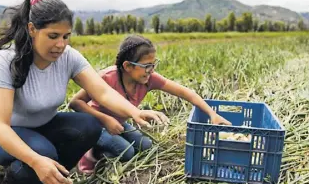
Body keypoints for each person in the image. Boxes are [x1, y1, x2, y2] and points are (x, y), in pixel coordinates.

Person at [0, 0, 168, 184]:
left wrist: (134, 113)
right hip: (1, 133)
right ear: (32, 29)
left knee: (90, 126)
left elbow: (102, 92)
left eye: (66, 36)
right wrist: (35, 160)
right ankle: (19, 183)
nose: (60, 44)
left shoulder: (68, 57)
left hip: (44, 125)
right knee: (43, 153)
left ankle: (51, 175)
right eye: (53, 36)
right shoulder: (6, 60)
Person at [69, 35, 231, 173]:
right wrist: (105, 119)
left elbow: (185, 92)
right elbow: (75, 103)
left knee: (146, 146)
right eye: (146, 66)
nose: (151, 70)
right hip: (96, 126)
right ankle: (90, 155)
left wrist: (212, 114)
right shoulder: (106, 78)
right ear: (127, 66)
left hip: (119, 124)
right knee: (126, 152)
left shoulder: (148, 79)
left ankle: (108, 149)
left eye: (153, 64)